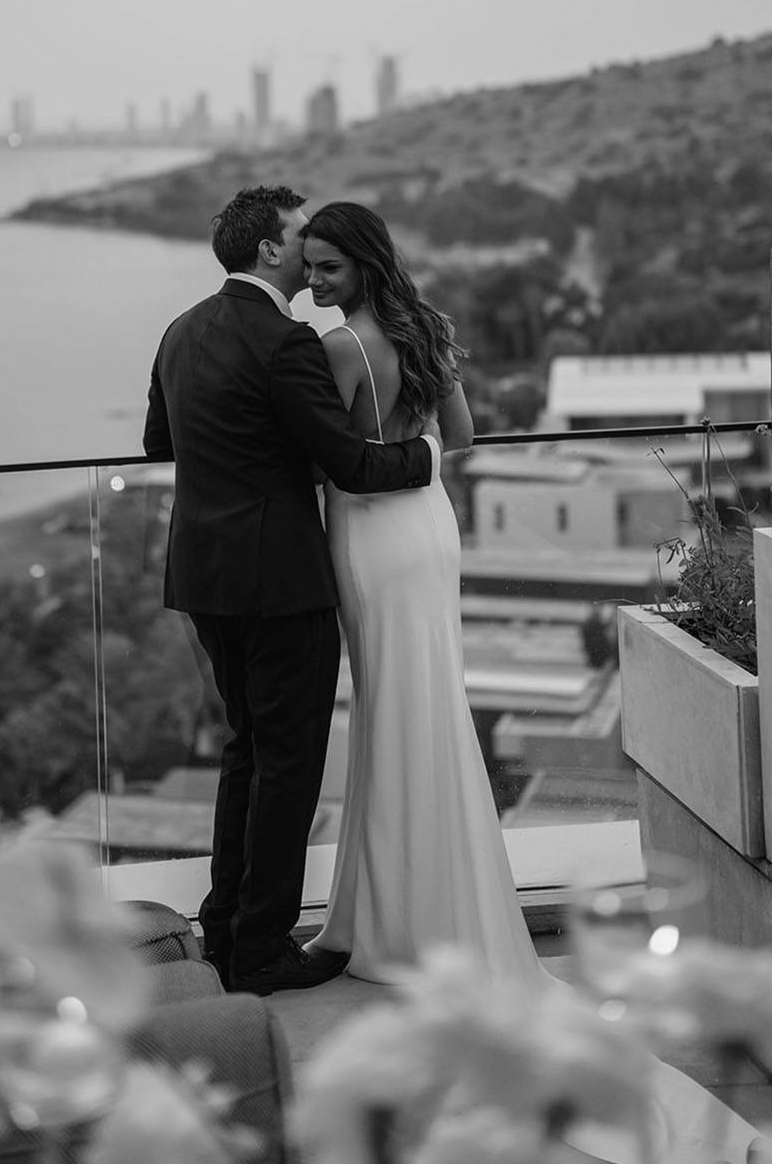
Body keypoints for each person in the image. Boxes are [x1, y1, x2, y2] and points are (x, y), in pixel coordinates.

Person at [142, 184, 441, 997]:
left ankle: (225, 923)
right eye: (300, 235)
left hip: (202, 576)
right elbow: (350, 463)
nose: (309, 250)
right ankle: (262, 950)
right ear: (270, 249)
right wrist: (428, 458)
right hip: (280, 583)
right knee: (288, 765)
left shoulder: (180, 330)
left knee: (246, 751)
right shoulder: (287, 343)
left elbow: (157, 441)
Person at [300, 201, 541, 988]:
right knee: (426, 704)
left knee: (389, 710)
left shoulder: (339, 347)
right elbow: (460, 435)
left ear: (365, 263)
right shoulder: (425, 329)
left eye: (327, 267)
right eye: (307, 266)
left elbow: (322, 463)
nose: (312, 281)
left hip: (372, 534)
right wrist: (419, 439)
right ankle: (425, 905)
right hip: (430, 529)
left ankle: (394, 919)